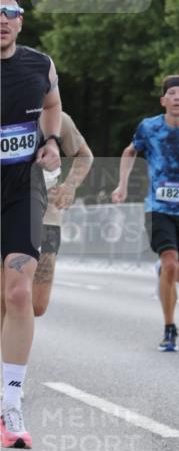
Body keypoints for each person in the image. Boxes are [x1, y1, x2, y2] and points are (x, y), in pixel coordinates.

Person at [111, 76, 179, 351]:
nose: (176, 97)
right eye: (171, 93)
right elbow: (129, 152)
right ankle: (169, 327)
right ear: (163, 100)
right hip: (158, 208)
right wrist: (122, 185)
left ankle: (165, 271)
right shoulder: (149, 127)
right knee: (170, 263)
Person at [1, 0, 62, 449]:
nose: (2, 20)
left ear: (21, 19)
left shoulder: (40, 64)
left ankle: (11, 407)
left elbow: (52, 104)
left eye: (10, 12)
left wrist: (53, 140)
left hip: (23, 191)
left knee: (20, 293)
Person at [33, 112, 94, 317]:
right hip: (6, 211)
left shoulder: (57, 119)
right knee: (9, 296)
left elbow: (84, 155)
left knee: (36, 305)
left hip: (46, 214)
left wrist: (70, 186)